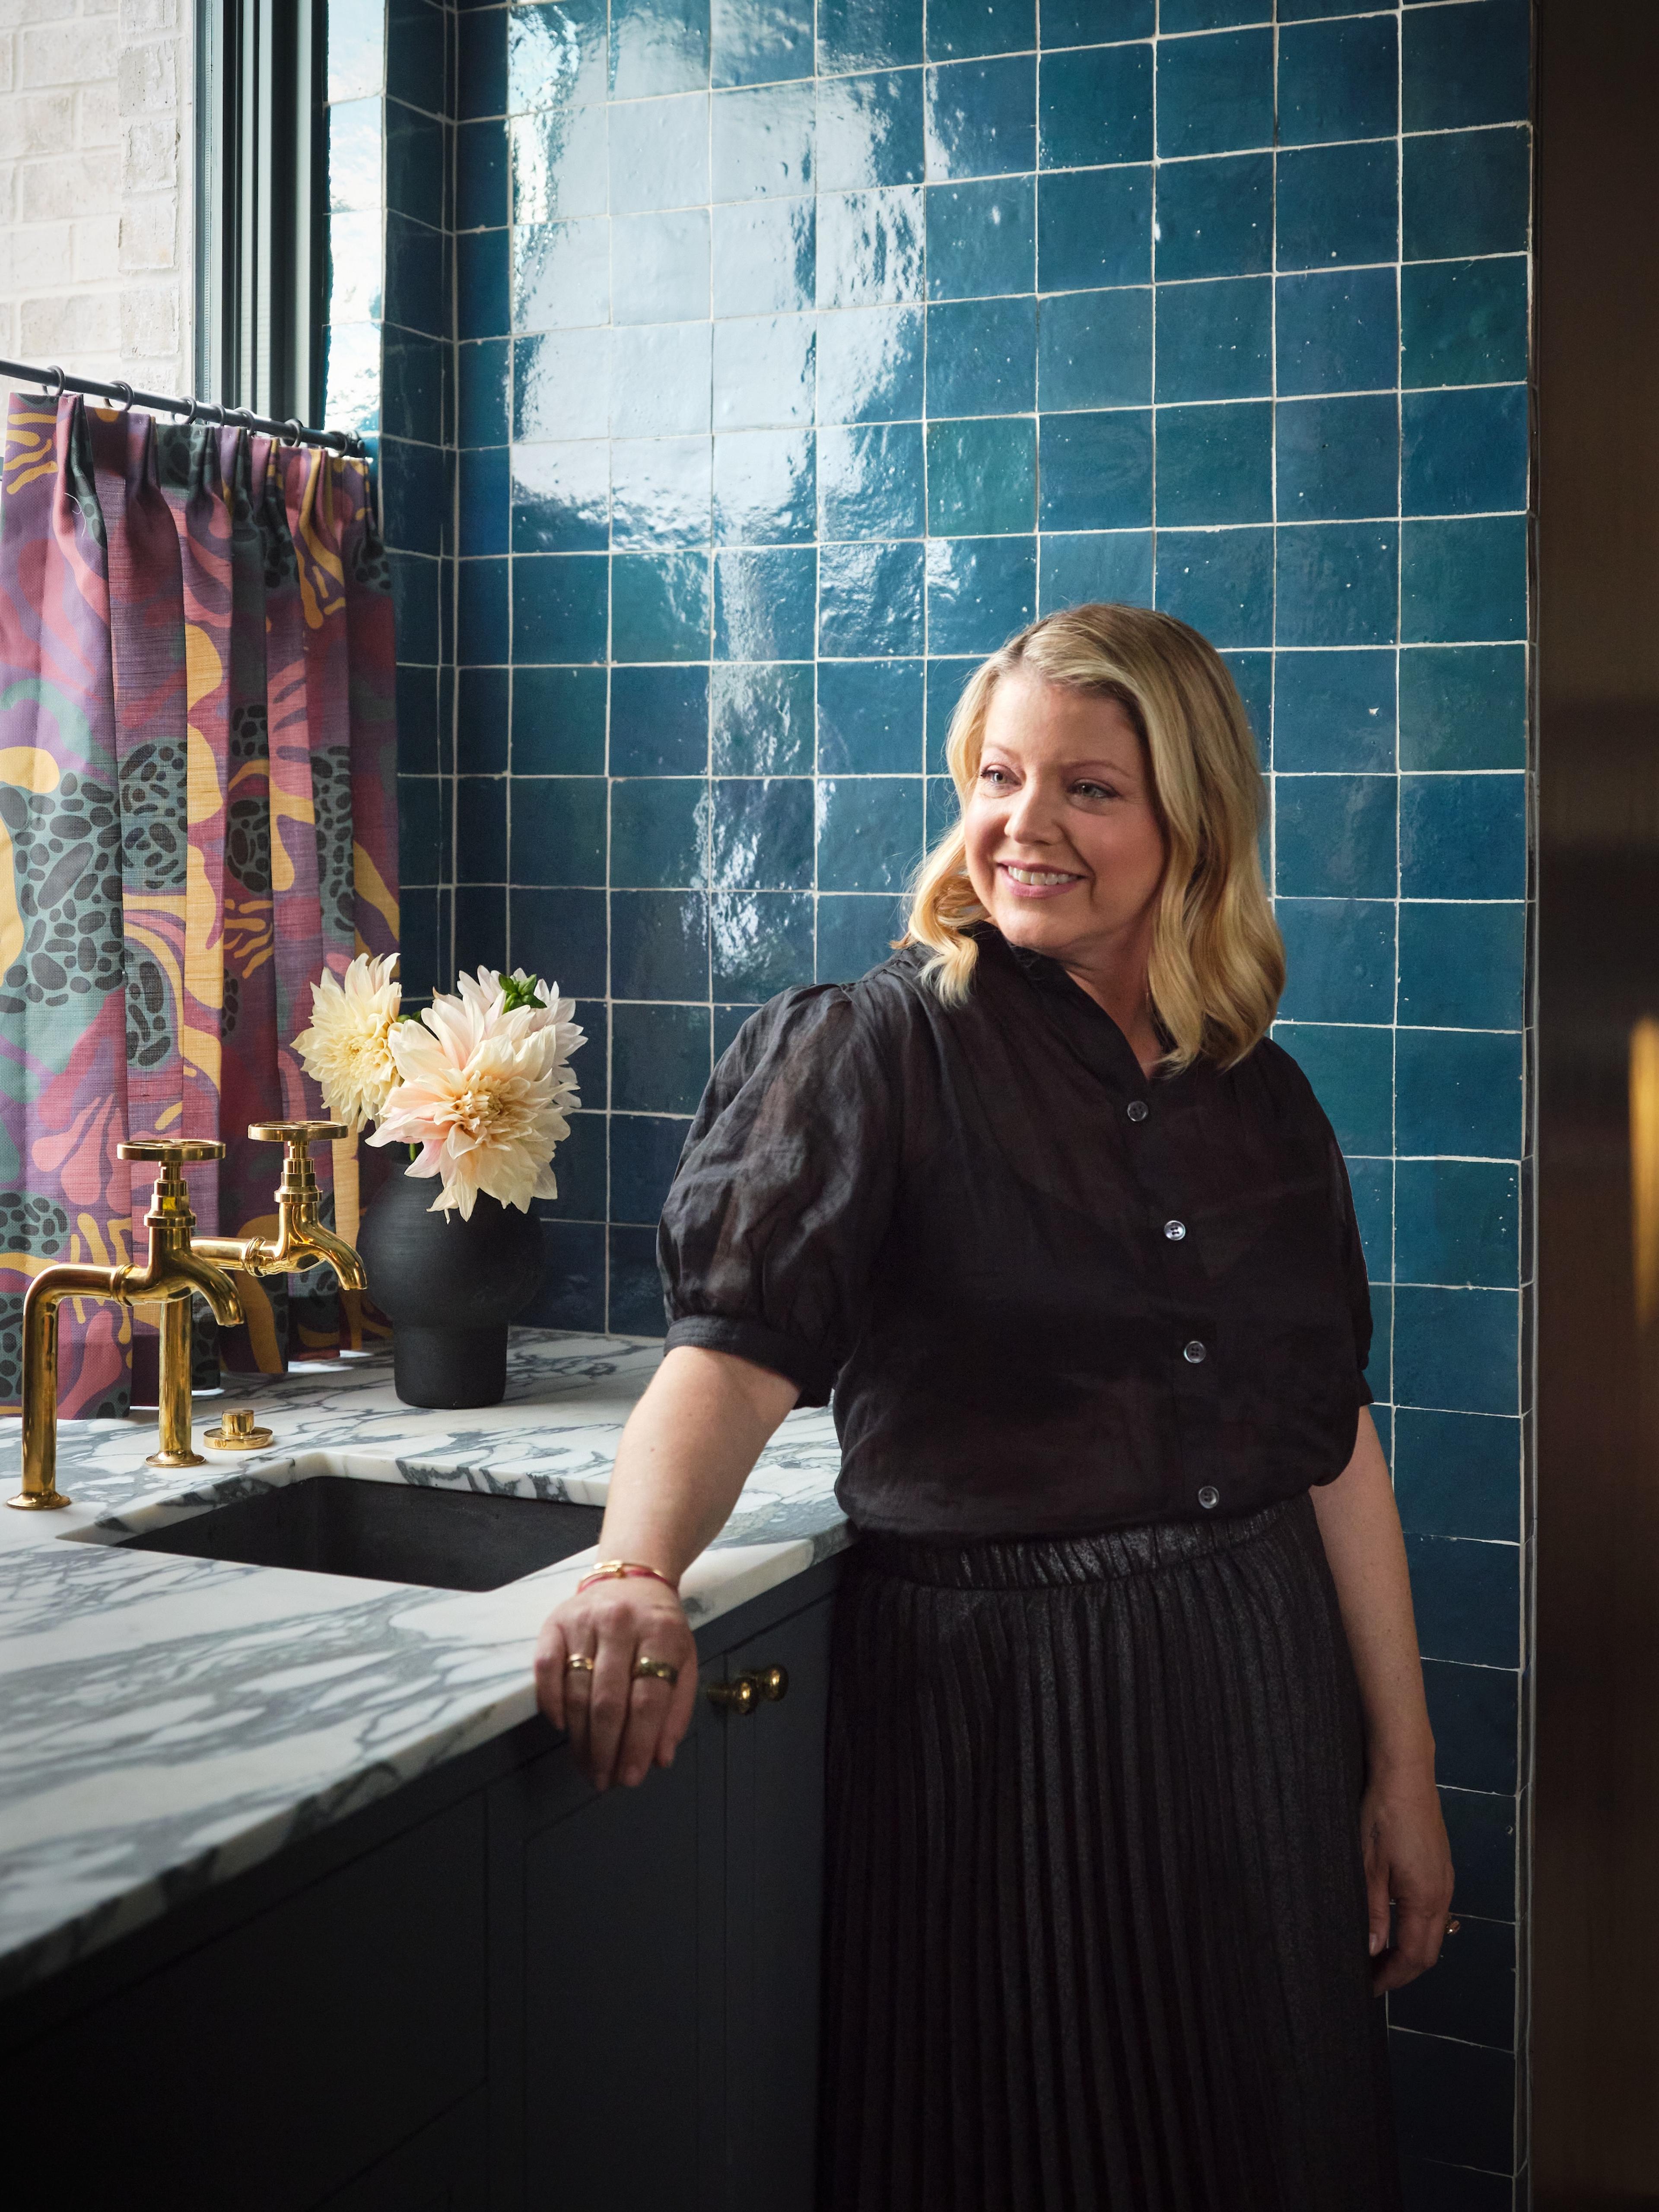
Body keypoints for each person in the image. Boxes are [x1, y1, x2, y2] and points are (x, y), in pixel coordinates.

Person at [534, 603, 1454, 2211]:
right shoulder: (877, 1048)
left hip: (1253, 1687)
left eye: (1090, 790)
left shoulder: (1267, 1096)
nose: (1026, 827)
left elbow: (1334, 1446)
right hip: (991, 1715)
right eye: (1000, 777)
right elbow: (733, 1361)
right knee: (1021, 2148)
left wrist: (1405, 1773)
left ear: (1193, 822)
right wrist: (632, 1566)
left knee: (1272, 2152)